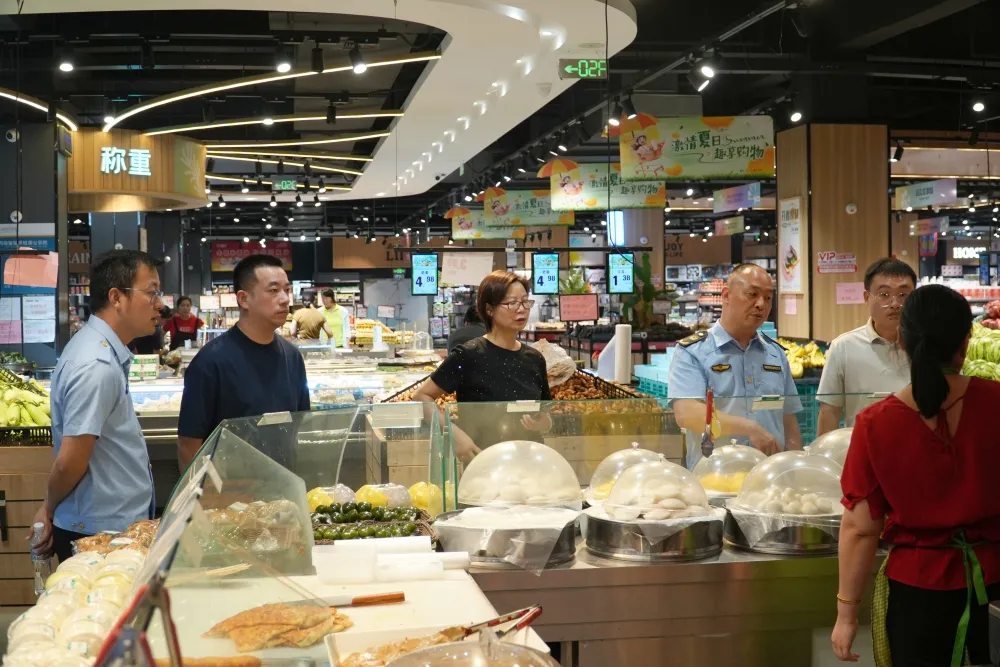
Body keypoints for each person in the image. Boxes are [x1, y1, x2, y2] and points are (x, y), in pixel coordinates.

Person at [831, 285, 1000, 666]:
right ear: (966, 341)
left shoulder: (874, 423)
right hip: (994, 583)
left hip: (916, 593)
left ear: (903, 342)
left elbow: (860, 529)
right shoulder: (996, 402)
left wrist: (846, 613)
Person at [32, 250, 162, 562]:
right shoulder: (96, 364)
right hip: (99, 535)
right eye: (152, 292)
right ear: (117, 297)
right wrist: (48, 506)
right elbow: (70, 460)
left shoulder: (99, 350)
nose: (160, 304)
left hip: (110, 526)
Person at [177, 255, 310, 470]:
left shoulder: (293, 357)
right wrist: (203, 491)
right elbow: (188, 445)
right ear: (243, 299)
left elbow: (298, 426)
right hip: (230, 487)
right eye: (273, 290)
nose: (285, 299)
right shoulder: (210, 362)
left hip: (283, 483)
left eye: (287, 290)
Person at [668, 263, 802, 469]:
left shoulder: (776, 354)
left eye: (768, 298)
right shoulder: (692, 352)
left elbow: (788, 421)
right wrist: (749, 428)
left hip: (769, 477)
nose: (761, 304)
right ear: (726, 295)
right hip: (715, 475)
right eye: (752, 294)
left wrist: (795, 467)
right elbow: (687, 414)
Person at [413, 271, 551, 454]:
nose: (521, 309)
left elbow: (545, 413)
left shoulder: (535, 358)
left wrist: (543, 424)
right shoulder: (468, 355)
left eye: (526, 302)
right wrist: (454, 434)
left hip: (528, 458)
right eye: (512, 303)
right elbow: (422, 396)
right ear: (489, 309)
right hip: (482, 459)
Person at [816, 259, 916, 436]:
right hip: (862, 448)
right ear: (866, 298)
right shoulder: (844, 347)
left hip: (916, 448)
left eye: (903, 295)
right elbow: (830, 412)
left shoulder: (928, 347)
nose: (895, 304)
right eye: (884, 294)